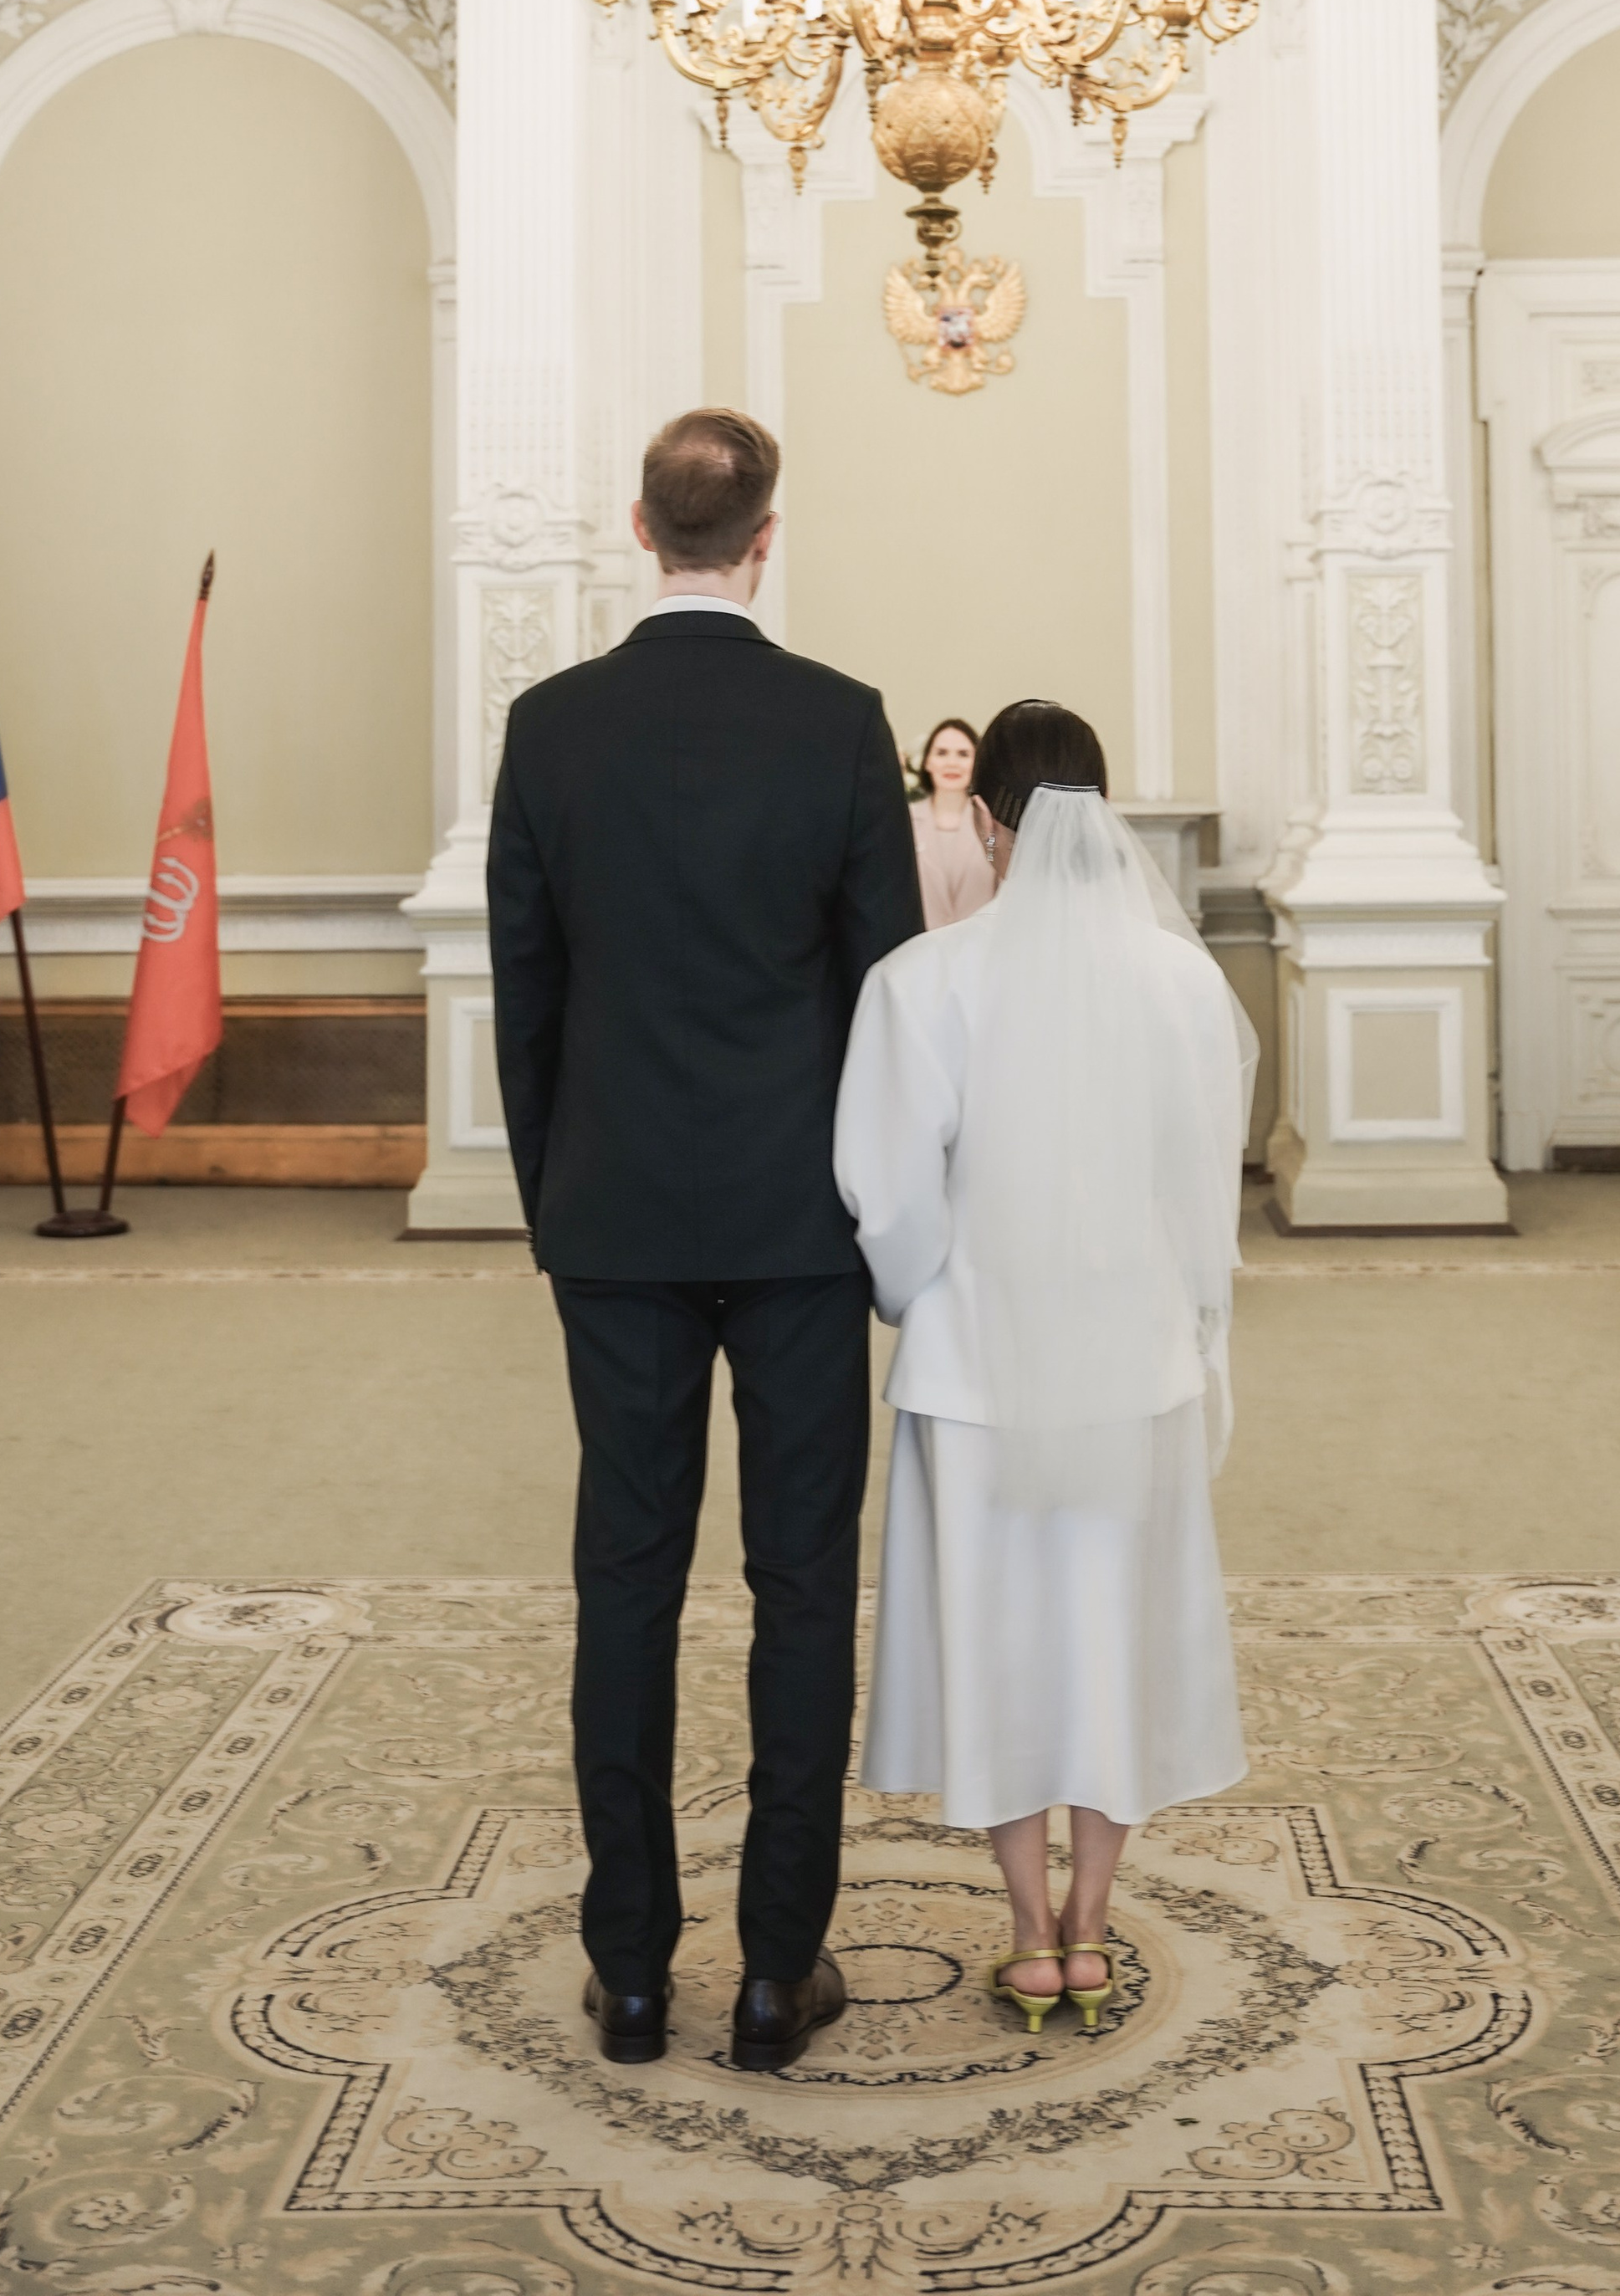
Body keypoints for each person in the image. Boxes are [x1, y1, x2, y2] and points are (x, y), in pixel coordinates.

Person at [488, 408, 923, 2076]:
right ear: (765, 538)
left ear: (634, 527)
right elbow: (889, 1003)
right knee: (801, 1586)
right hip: (804, 1222)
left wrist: (561, 1199)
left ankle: (623, 1976)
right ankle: (771, 1975)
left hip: (614, 1217)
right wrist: (882, 1209)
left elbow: (530, 1003)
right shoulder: (836, 725)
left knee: (625, 1582)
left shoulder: (549, 726)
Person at [834, 699, 1255, 2033]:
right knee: (1113, 1631)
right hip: (1136, 1364)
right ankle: (1093, 1919)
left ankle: (1024, 1927)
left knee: (1001, 1639)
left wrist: (921, 1303)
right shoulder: (1185, 982)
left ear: (992, 824)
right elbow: (1206, 1193)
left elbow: (887, 1194)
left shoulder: (921, 978)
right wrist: (1185, 1317)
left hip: (976, 1371)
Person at [909, 716, 994, 929]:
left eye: (963, 754)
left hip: (980, 949)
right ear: (927, 761)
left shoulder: (993, 824)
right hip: (917, 949)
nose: (952, 763)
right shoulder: (904, 821)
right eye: (942, 753)